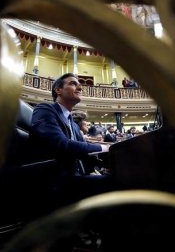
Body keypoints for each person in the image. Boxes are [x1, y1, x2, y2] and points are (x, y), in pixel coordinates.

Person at [29, 73, 113, 205]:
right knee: (117, 184)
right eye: (73, 83)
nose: (80, 87)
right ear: (58, 90)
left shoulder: (73, 124)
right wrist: (105, 148)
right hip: (55, 180)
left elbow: (85, 153)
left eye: (79, 84)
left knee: (122, 177)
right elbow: (63, 145)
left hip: (75, 177)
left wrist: (105, 165)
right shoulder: (45, 109)